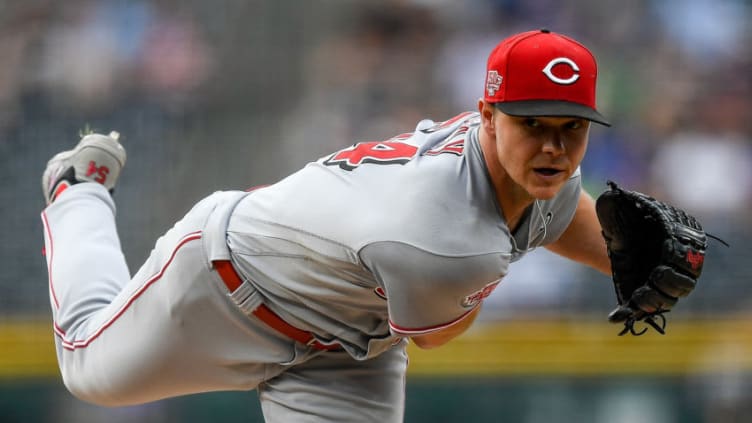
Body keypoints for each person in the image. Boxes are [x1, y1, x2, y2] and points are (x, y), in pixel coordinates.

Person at [40, 29, 612, 422]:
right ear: (487, 116)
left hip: (349, 346)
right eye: (532, 122)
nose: (554, 146)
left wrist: (653, 258)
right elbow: (436, 333)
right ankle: (77, 190)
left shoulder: (533, 167)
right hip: (231, 285)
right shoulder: (441, 241)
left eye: (572, 127)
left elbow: (571, 214)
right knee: (90, 374)